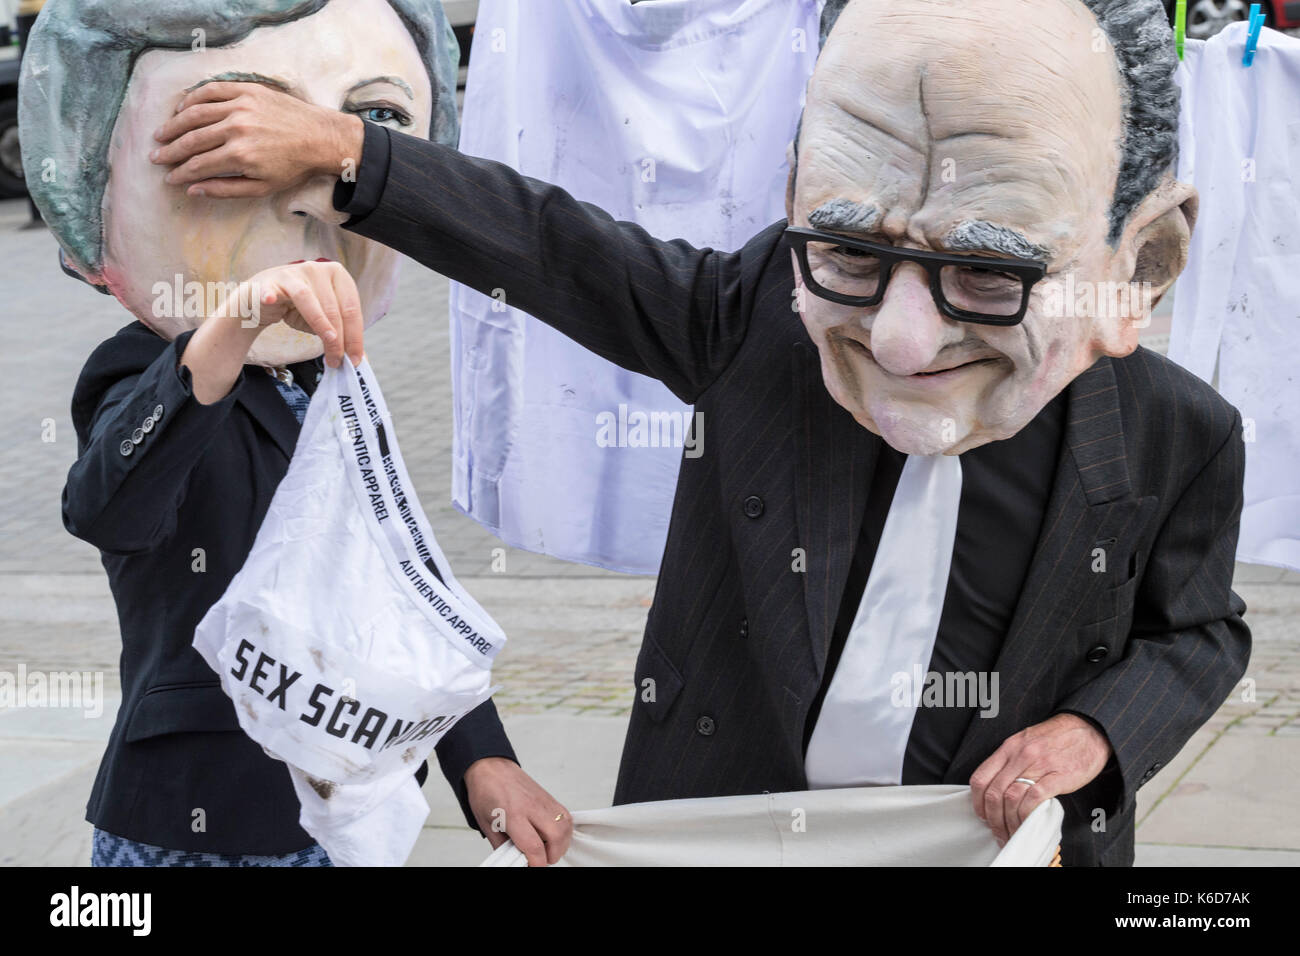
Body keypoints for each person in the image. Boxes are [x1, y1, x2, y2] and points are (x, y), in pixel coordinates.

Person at [152, 0, 1251, 865]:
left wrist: (1096, 735)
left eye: (986, 273)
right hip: (726, 830)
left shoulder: (1175, 438)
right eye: (852, 251)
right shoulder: (759, 323)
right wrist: (351, 153)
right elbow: (558, 247)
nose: (905, 340)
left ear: (1136, 269)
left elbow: (1197, 632)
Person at [23, 0, 570, 866]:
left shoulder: (332, 381)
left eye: (374, 121)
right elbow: (108, 509)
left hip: (347, 808)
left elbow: (382, 583)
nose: (301, 197)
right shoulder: (139, 370)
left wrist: (480, 758)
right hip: (199, 815)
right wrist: (229, 329)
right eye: (229, 142)